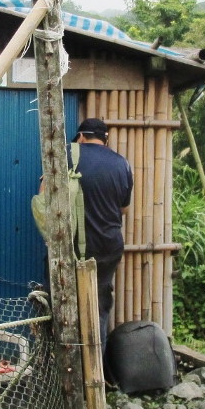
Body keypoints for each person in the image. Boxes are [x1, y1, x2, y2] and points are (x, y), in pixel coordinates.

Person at [71, 117, 133, 345]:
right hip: (109, 246)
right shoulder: (122, 163)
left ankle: (69, 363)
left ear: (81, 137)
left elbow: (44, 195)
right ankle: (97, 363)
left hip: (76, 246)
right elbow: (124, 208)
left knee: (67, 304)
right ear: (105, 140)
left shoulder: (69, 154)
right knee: (98, 306)